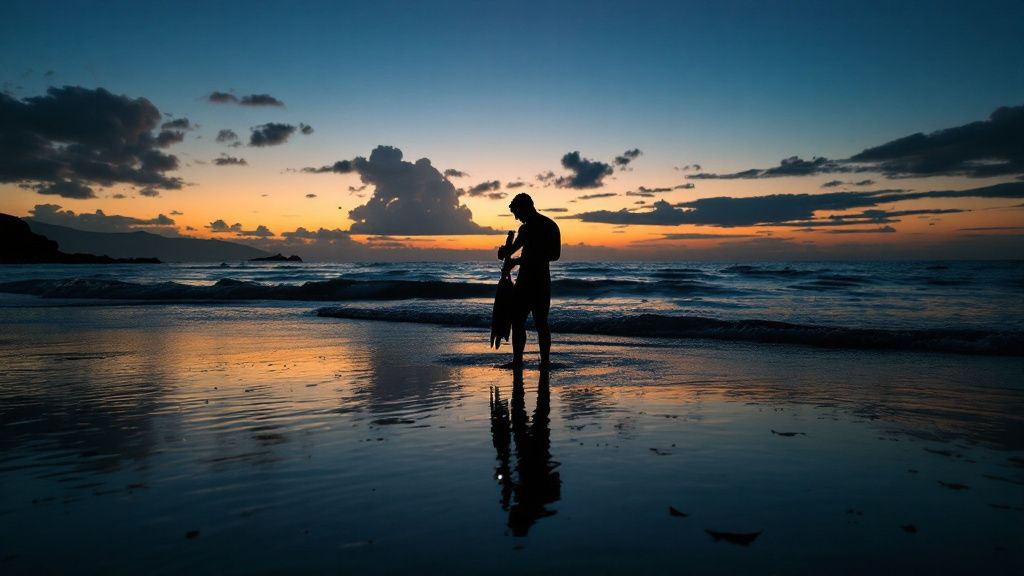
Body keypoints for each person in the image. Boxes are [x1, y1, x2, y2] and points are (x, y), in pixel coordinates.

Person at [497, 193, 561, 368]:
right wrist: (505, 252)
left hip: (533, 282)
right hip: (534, 282)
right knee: (525, 322)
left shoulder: (548, 226)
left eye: (517, 212)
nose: (516, 218)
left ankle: (534, 361)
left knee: (533, 323)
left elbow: (554, 255)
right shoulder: (541, 227)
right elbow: (514, 249)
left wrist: (517, 260)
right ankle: (526, 361)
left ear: (525, 207)